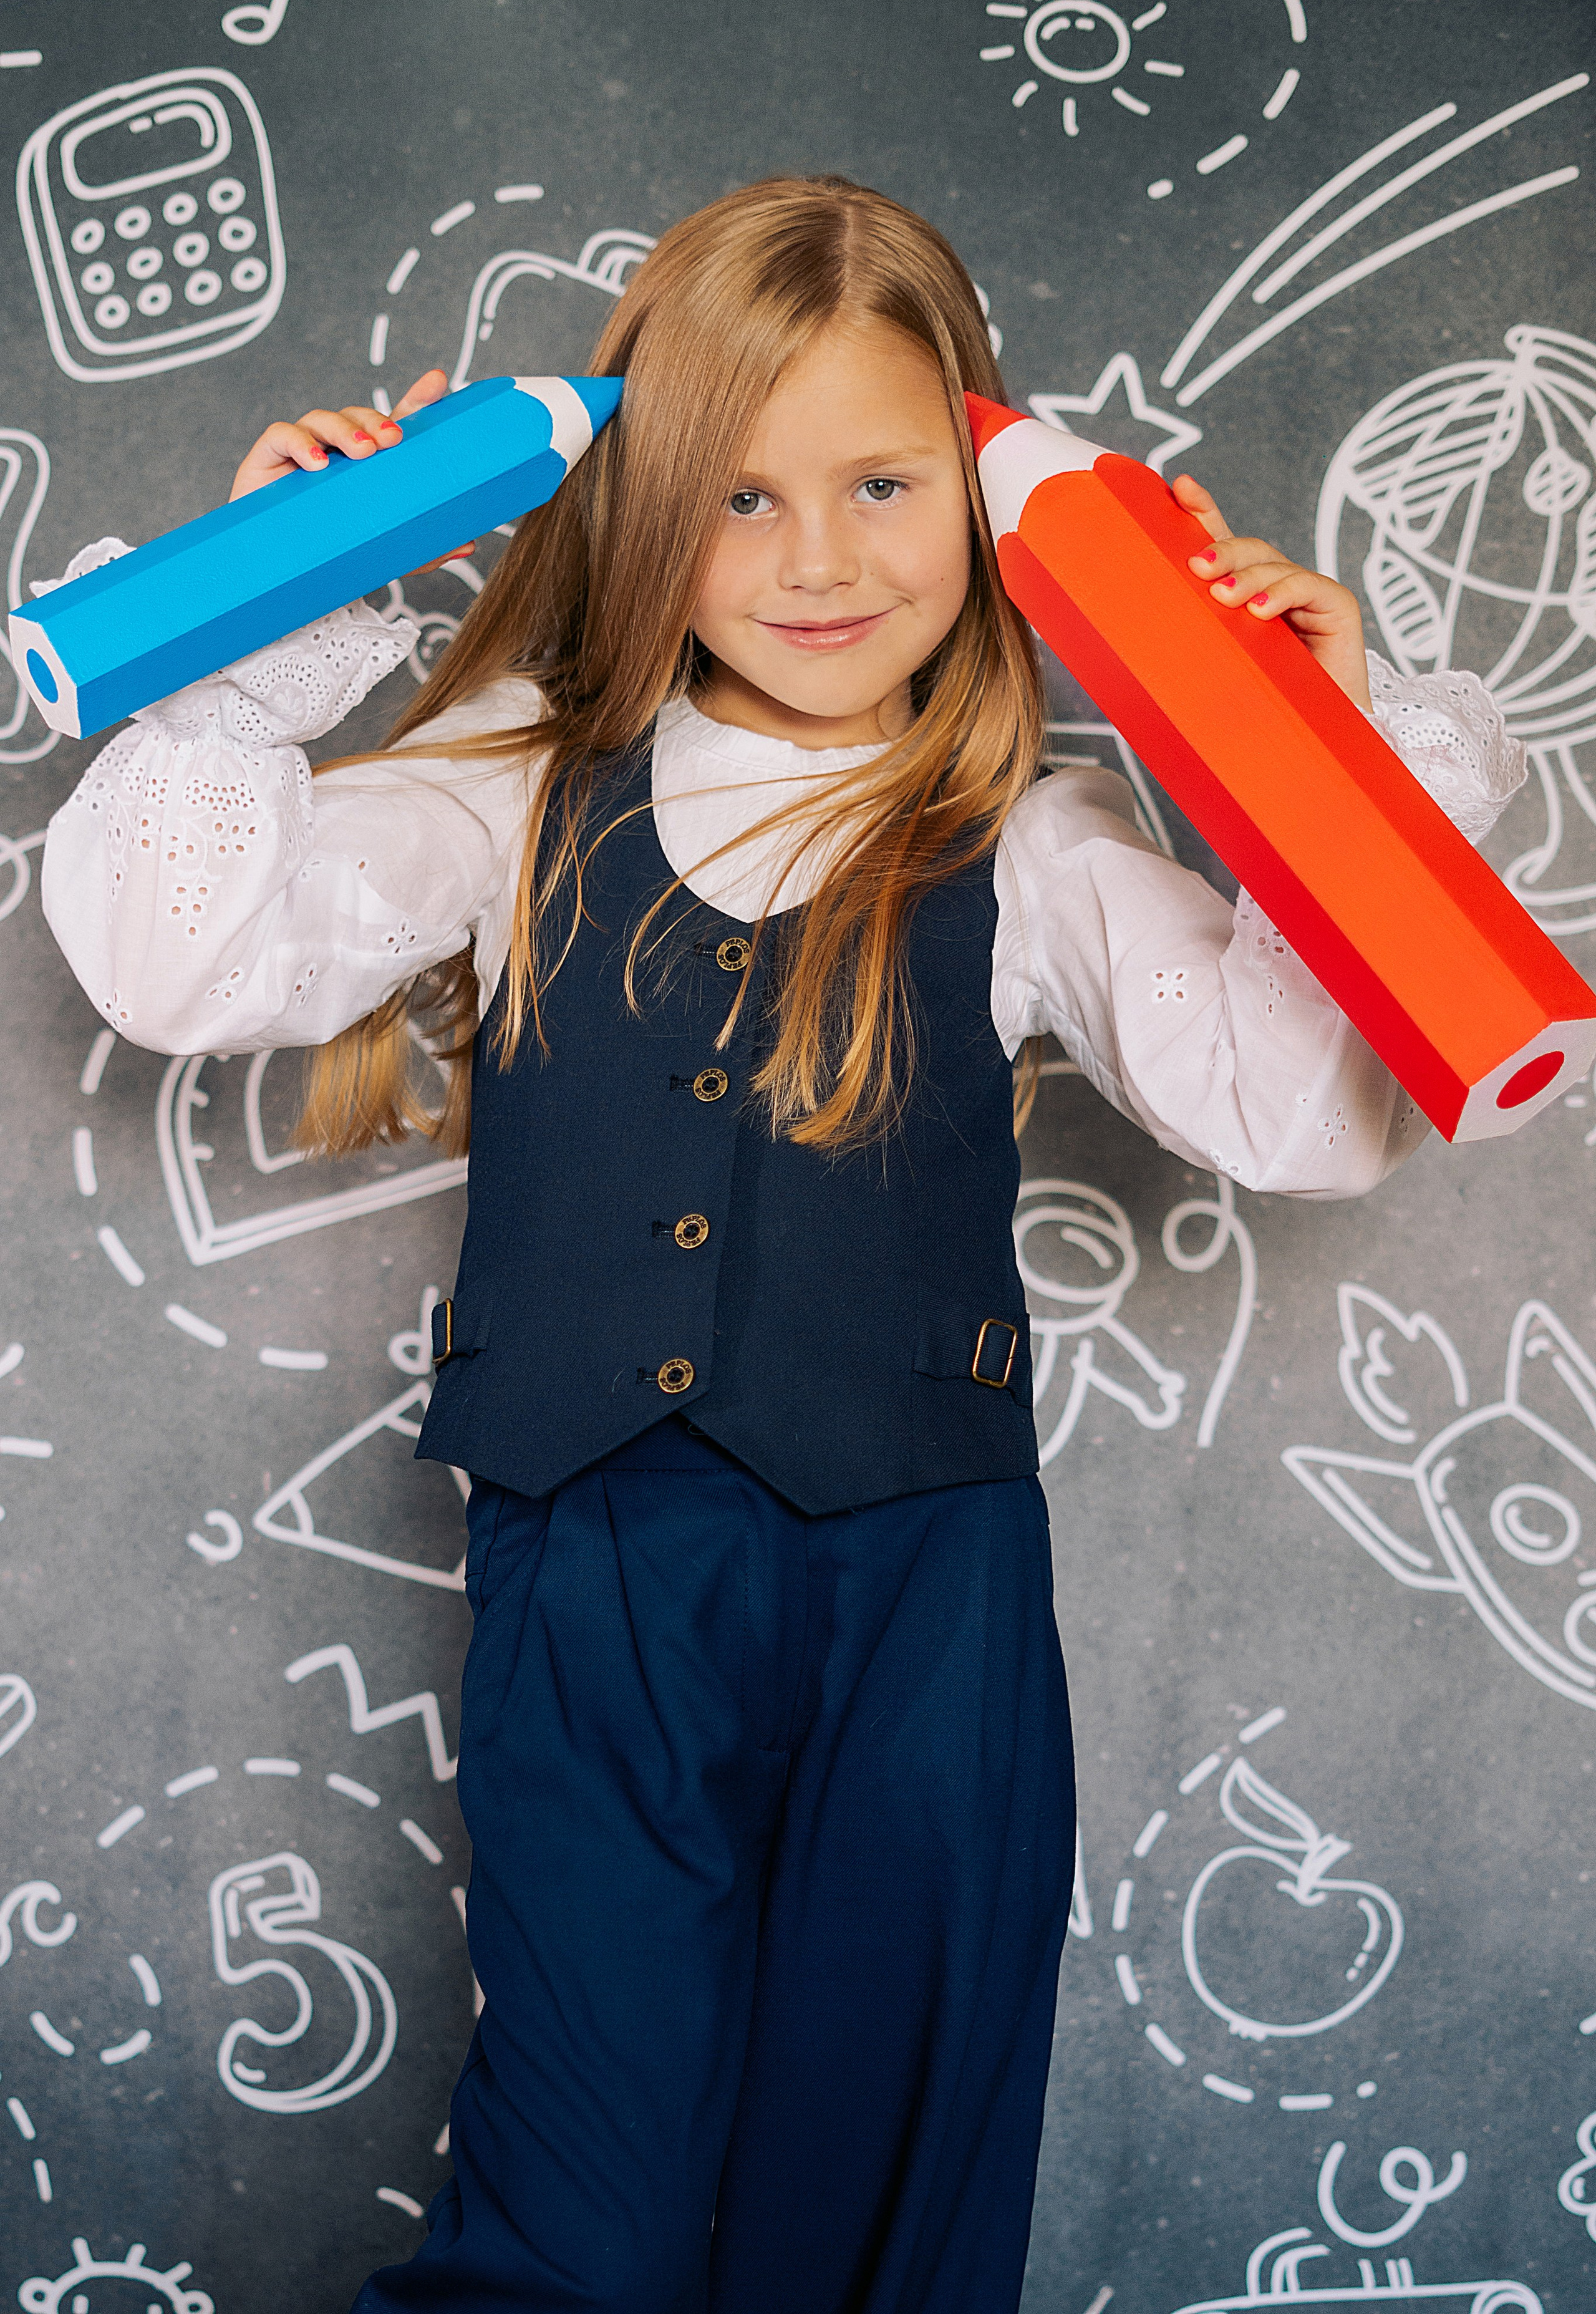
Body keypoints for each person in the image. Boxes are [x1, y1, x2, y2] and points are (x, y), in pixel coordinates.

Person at [39, 175, 1524, 2313]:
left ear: (982, 488)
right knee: (584, 2216)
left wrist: (1330, 769)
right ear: (645, 505)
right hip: (601, 1576)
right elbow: (186, 958)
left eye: (881, 483)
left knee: (893, 2202)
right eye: (738, 494)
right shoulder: (517, 778)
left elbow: (1299, 1114)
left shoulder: (1035, 817)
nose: (818, 560)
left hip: (931, 1587)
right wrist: (276, 629)